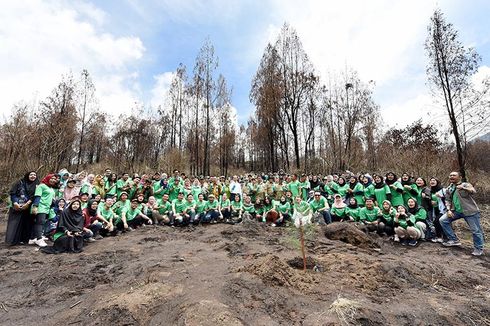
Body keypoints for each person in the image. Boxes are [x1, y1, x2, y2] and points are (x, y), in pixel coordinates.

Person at [440, 172, 485, 256]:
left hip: (470, 211)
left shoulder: (465, 184)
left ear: (459, 177)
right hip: (456, 211)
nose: (451, 177)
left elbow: (473, 191)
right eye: (450, 175)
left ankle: (479, 248)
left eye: (454, 175)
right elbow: (447, 200)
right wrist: (448, 210)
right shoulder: (449, 188)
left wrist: (464, 188)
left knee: (476, 230)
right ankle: (454, 240)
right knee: (443, 220)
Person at [5, 171, 39, 245]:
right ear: (27, 175)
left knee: (26, 223)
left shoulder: (37, 185)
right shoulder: (20, 182)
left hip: (28, 207)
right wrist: (15, 203)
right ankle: (12, 241)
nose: (33, 176)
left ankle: (24, 240)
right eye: (31, 174)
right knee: (15, 223)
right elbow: (13, 193)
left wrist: (28, 203)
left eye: (34, 175)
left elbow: (35, 195)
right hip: (17, 206)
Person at [30, 173, 58, 247]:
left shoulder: (51, 188)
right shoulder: (41, 186)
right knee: (40, 222)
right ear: (47, 178)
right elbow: (37, 196)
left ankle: (33, 238)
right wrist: (35, 207)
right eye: (51, 178)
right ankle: (39, 239)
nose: (53, 180)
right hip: (40, 206)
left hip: (47, 208)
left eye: (54, 179)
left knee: (39, 223)